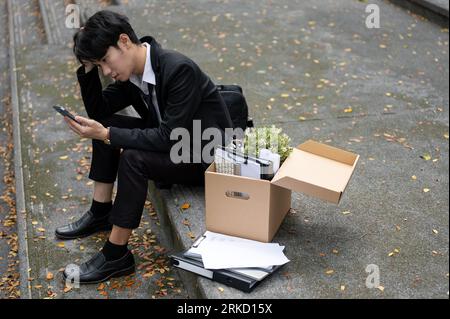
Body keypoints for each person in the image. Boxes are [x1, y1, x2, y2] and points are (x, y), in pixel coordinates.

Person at [57, 10, 233, 284]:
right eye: (99, 65)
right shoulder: (134, 73)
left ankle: (116, 254)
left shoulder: (177, 69)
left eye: (105, 60)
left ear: (124, 41)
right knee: (105, 126)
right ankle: (100, 212)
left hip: (202, 157)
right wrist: (87, 63)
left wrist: (108, 134)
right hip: (175, 146)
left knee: (131, 155)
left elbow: (170, 137)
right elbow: (98, 110)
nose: (106, 70)